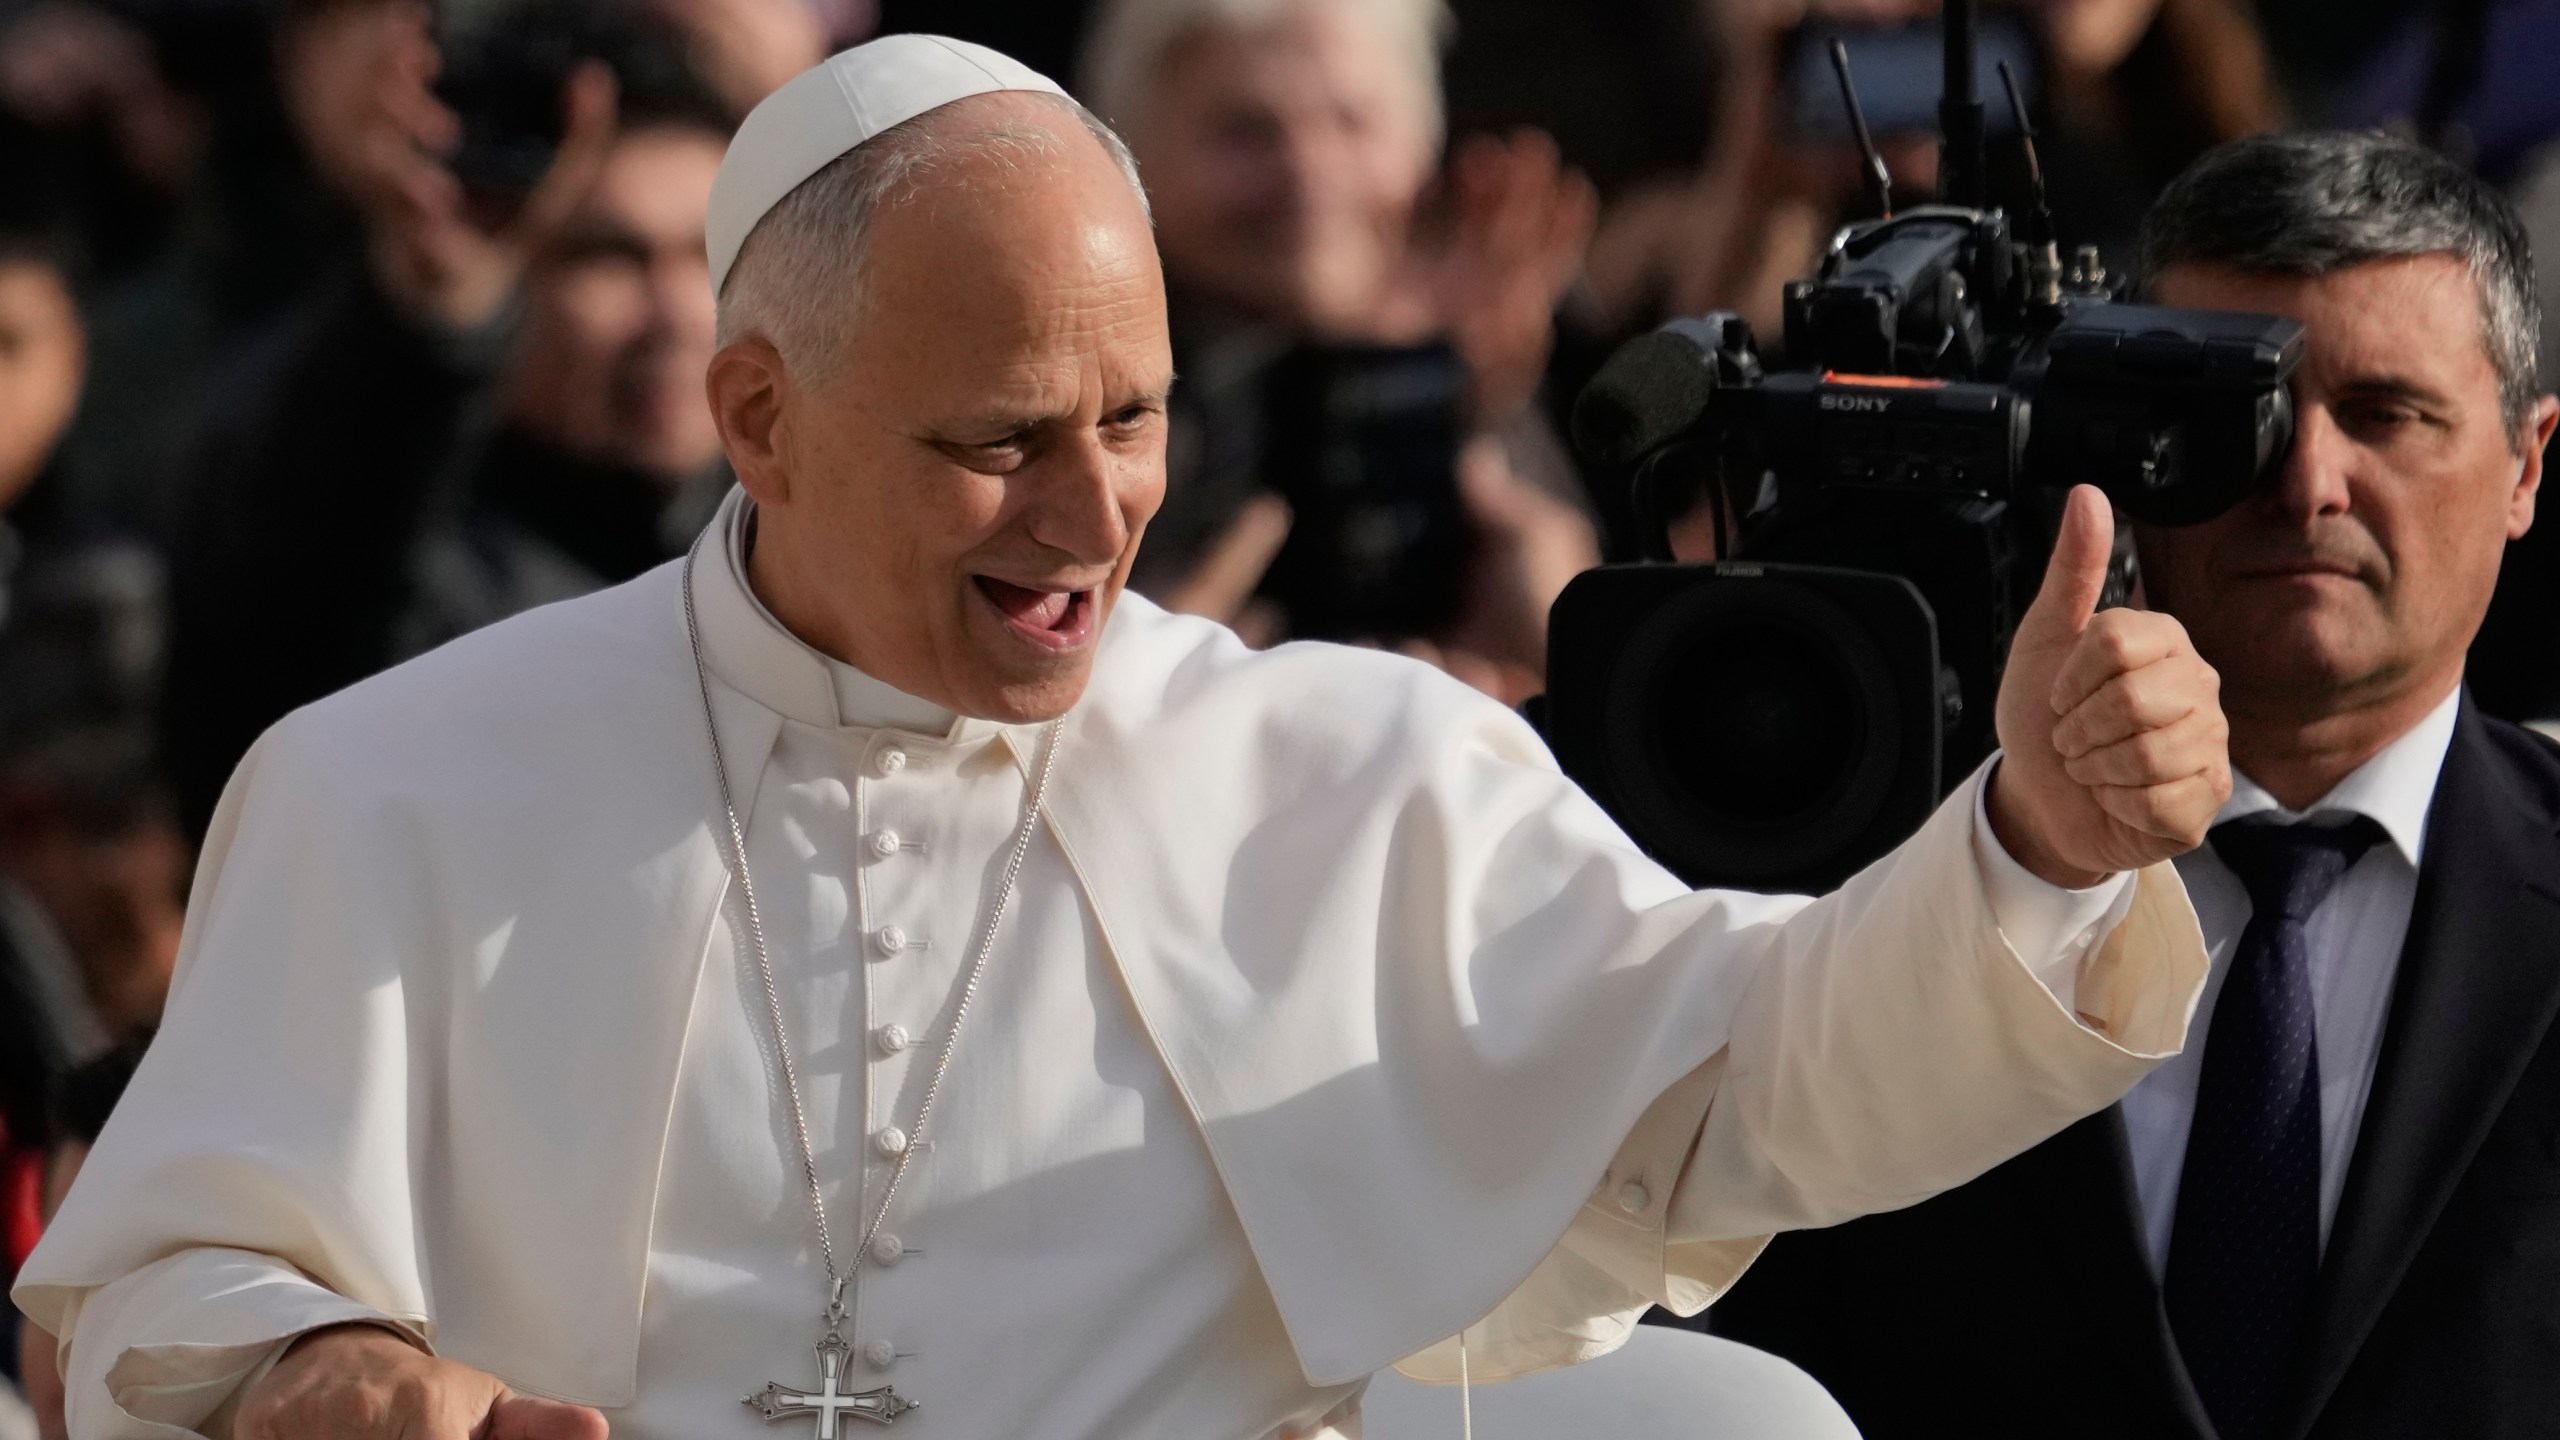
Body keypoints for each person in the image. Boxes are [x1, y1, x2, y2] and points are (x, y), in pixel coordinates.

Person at [17, 36, 2230, 1440]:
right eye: (999, 443)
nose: (1094, 522)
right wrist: (327, 1372)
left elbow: (1755, 1084)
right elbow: (147, 1297)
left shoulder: (1336, 774)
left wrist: (2024, 842)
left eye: (1136, 415)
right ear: (758, 420)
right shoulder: (398, 779)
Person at [1707, 129, 2560, 1440]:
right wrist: (2015, 857)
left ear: (2526, 465)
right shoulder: (1894, 867)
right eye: (2235, 409)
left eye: (2386, 414)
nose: (2306, 482)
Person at [156, 0, 755, 838]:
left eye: (713, 253)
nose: (677, 315)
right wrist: (436, 302)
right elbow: (286, 643)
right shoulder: (370, 520)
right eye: (606, 258)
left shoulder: (811, 542)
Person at [1081, 0, 1600, 698]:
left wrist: (1562, 664)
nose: (1309, 170)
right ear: (1131, 154)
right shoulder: (1083, 392)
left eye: (1353, 121)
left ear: (1425, 140)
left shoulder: (1477, 363)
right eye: (1246, 130)